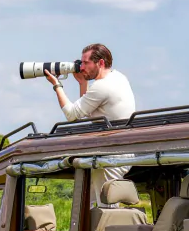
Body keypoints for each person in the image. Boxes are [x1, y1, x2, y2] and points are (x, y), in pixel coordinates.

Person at [43, 43, 137, 208]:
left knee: (103, 206)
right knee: (100, 203)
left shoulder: (101, 86)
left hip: (111, 154)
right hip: (122, 151)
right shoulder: (119, 77)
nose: (82, 67)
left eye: (86, 63)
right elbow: (87, 112)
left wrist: (56, 85)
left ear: (100, 63)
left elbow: (72, 114)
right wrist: (82, 84)